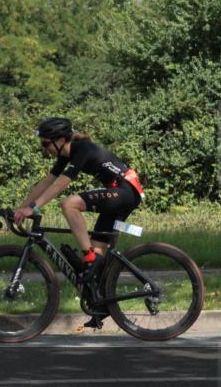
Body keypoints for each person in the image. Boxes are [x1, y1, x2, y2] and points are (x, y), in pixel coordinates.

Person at [12, 117, 145, 328]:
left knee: (69, 204)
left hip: (124, 190)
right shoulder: (67, 154)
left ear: (61, 139)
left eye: (46, 144)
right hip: (121, 192)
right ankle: (100, 305)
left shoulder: (81, 148)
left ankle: (89, 255)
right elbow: (47, 181)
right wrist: (19, 208)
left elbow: (60, 185)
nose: (44, 149)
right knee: (97, 262)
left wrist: (34, 208)